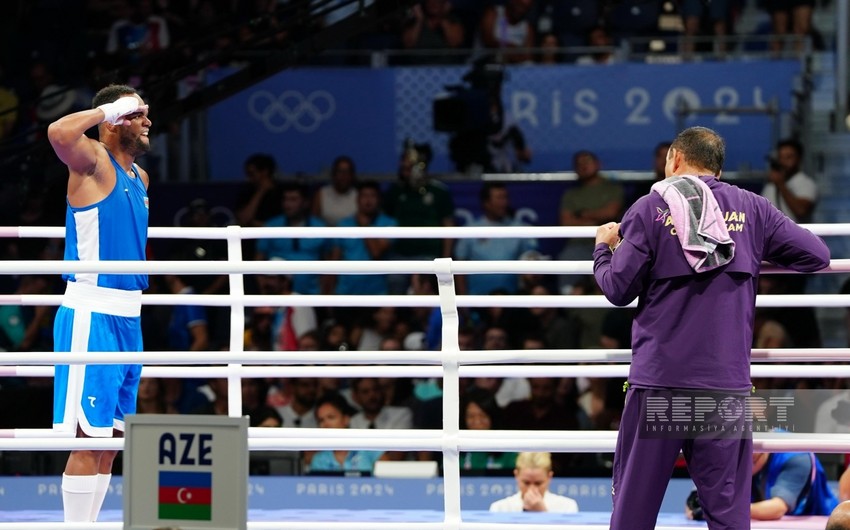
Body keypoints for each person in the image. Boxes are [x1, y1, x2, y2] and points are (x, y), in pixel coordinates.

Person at [593, 126, 830, 529]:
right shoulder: (752, 208)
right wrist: (755, 250)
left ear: (675, 159)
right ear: (718, 169)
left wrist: (604, 247)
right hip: (724, 389)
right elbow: (818, 255)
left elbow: (617, 288)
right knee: (727, 518)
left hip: (662, 386)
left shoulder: (650, 208)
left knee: (633, 514)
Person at [47, 84, 152, 522]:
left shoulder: (140, 178)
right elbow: (58, 132)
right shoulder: (92, 162)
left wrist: (123, 111)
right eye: (139, 113)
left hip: (130, 317)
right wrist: (110, 108)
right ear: (115, 121)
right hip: (92, 313)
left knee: (110, 443)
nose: (148, 121)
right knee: (86, 440)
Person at [489, 451, 579, 513]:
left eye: (538, 483)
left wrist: (543, 514)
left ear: (549, 477)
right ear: (516, 475)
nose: (532, 489)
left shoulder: (567, 507)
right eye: (526, 483)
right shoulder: (499, 508)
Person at [761, 138, 817, 224]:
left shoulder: (806, 183)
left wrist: (781, 184)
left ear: (799, 159)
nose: (783, 162)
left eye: (788, 157)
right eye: (780, 157)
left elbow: (801, 210)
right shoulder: (771, 184)